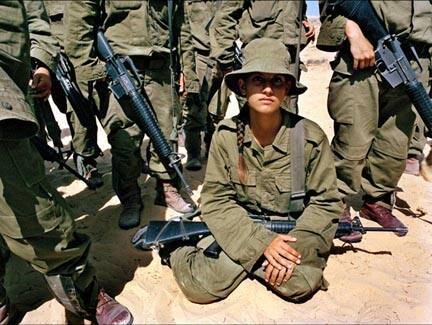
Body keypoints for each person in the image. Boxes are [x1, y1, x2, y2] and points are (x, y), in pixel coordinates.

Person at [168, 38, 342, 303]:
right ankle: (174, 249)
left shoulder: (310, 138)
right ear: (242, 85)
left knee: (300, 283)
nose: (268, 89)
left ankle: (249, 261)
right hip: (240, 224)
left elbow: (326, 204)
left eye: (277, 81)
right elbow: (215, 199)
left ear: (287, 89)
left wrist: (286, 249)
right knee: (201, 288)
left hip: (291, 231)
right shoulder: (226, 136)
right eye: (259, 80)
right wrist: (261, 244)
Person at [0, 1, 132, 323]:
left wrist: (40, 64)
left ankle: (85, 293)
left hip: (5, 110)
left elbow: (36, 22)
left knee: (37, 215)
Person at [65, 0, 198, 229]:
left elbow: (181, 24)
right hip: (116, 68)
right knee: (124, 140)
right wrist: (92, 69)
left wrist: (187, 68)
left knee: (166, 134)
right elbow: (79, 18)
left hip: (161, 67)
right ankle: (130, 199)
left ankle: (167, 188)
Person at [317, 1, 431, 242]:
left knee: (395, 141)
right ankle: (335, 205)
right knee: (353, 137)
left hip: (417, 59)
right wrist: (351, 30)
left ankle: (376, 201)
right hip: (366, 49)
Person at [43, 1, 103, 188]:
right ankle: (86, 159)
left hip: (91, 38)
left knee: (101, 100)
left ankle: (123, 157)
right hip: (57, 48)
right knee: (74, 106)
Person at [182, 0, 219, 171]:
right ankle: (193, 153)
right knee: (195, 106)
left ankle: (213, 148)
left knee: (218, 108)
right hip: (198, 56)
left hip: (222, 56)